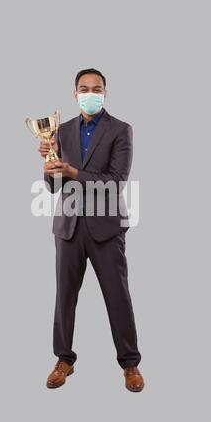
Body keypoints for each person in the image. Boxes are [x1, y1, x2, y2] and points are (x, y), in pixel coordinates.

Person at [39, 68, 144, 392]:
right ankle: (64, 359)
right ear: (74, 94)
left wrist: (73, 171)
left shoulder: (121, 130)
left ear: (105, 93)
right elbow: (54, 186)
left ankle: (130, 364)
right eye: (84, 88)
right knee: (64, 297)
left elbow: (116, 182)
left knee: (117, 296)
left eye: (96, 88)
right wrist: (49, 166)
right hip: (68, 226)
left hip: (106, 227)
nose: (90, 93)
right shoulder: (63, 130)